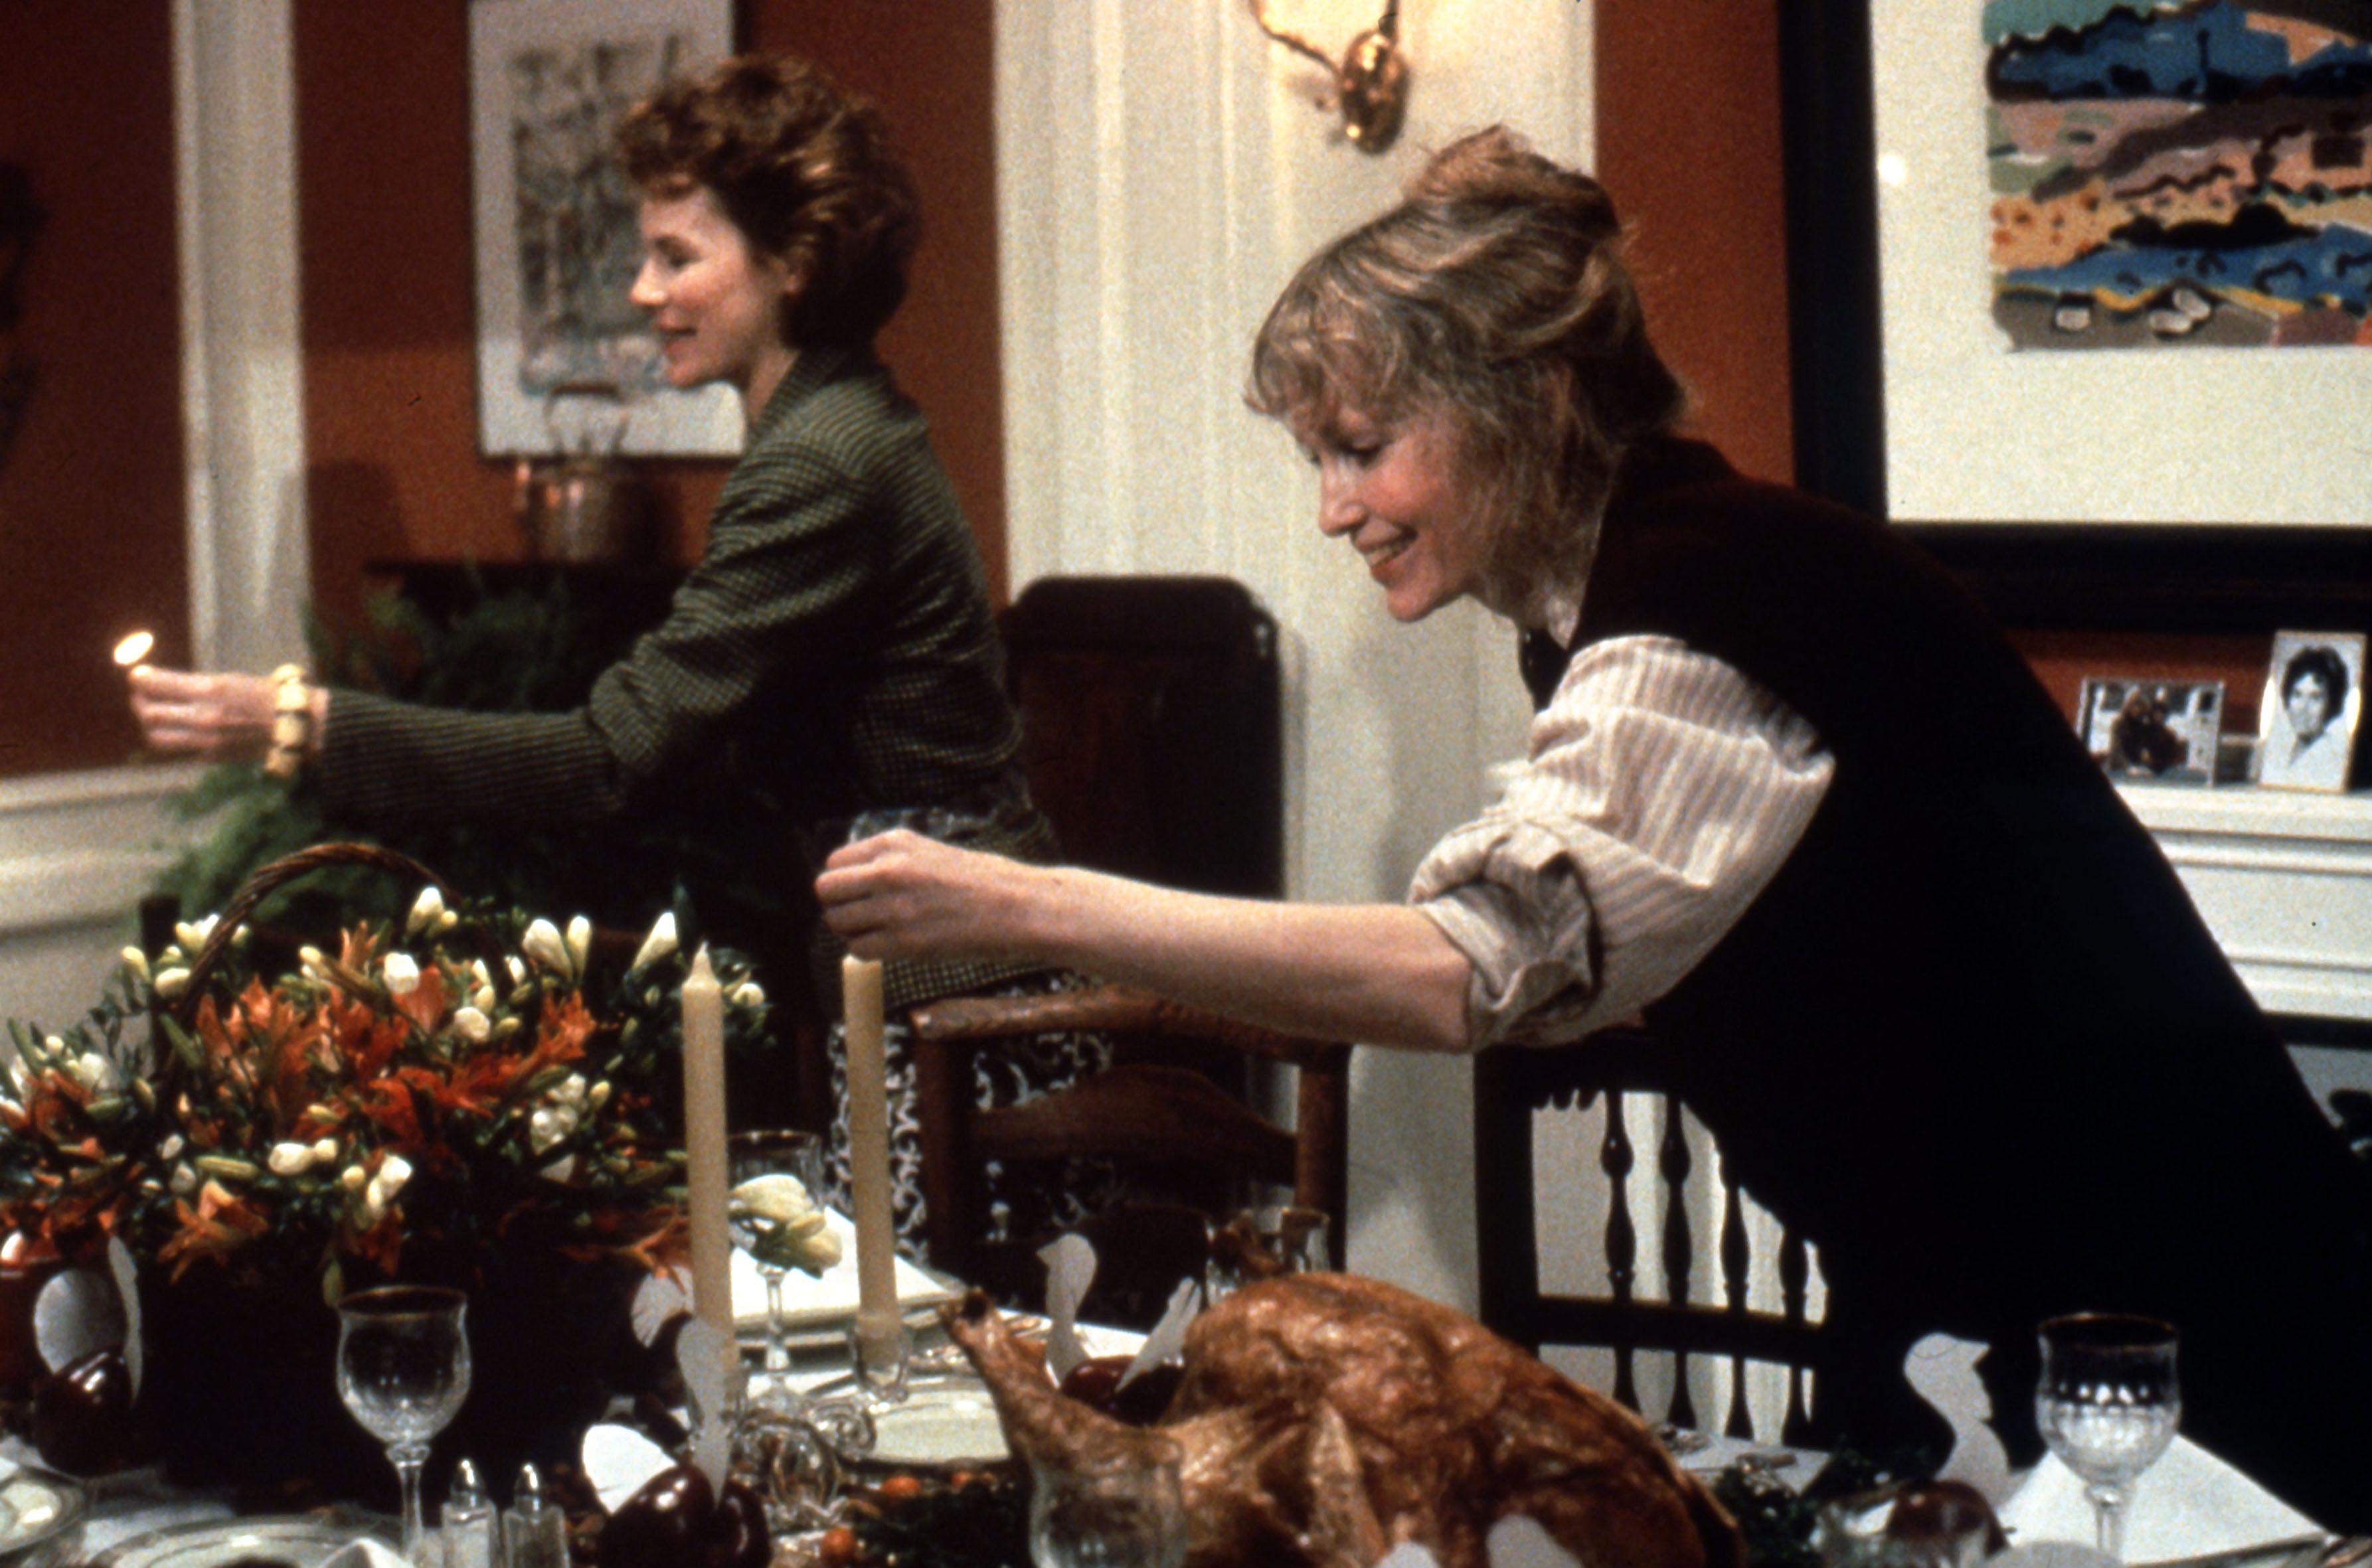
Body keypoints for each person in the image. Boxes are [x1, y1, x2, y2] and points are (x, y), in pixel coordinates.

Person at [816, 127, 2372, 1526]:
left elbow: (1464, 973)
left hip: (2200, 1371)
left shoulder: (1715, 603)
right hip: (2014, 1326)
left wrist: (1028, 901)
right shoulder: (1649, 593)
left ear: (1516, 407)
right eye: (1319, 459)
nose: (1334, 508)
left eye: (1360, 446)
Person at [127, 53, 1110, 1255]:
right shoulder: (841, 424)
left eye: (677, 257)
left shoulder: (820, 460)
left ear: (794, 263)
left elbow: (610, 757)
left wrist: (306, 722)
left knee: (950, 1341)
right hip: (936, 969)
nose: (644, 291)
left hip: (953, 991)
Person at [2263, 643, 2352, 789]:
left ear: (2332, 705)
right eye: (2297, 695)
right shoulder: (2277, 751)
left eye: (2315, 698)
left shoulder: (2332, 759)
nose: (2303, 708)